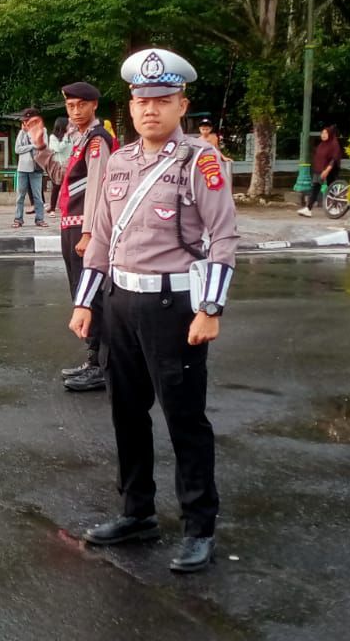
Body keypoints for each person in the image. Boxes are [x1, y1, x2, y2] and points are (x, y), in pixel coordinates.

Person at [71, 47, 239, 573]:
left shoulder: (199, 162)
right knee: (126, 414)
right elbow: (100, 238)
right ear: (131, 104)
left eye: (163, 100)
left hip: (174, 306)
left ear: (181, 105)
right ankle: (136, 512)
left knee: (184, 419)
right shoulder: (118, 163)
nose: (151, 110)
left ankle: (199, 526)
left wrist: (209, 307)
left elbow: (222, 237)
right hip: (120, 303)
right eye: (143, 101)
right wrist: (86, 304)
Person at [24, 83, 116, 392]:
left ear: (93, 106)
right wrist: (40, 147)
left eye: (80, 105)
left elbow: (97, 188)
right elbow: (64, 178)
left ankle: (102, 365)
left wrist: (90, 232)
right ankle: (95, 360)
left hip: (84, 229)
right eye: (70, 106)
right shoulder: (81, 139)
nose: (74, 111)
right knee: (81, 293)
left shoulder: (97, 140)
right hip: (72, 225)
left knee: (92, 297)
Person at [13, 108, 47, 228]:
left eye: (28, 120)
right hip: (23, 167)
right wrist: (32, 145)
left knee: (37, 195)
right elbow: (17, 149)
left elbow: (42, 146)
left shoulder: (42, 131)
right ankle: (18, 219)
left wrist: (32, 144)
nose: (26, 123)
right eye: (24, 121)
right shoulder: (21, 133)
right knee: (20, 195)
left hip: (36, 167)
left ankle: (40, 219)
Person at [301, 124, 343, 216]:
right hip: (320, 170)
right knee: (315, 187)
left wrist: (327, 170)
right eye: (322, 133)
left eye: (326, 133)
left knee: (332, 188)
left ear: (330, 134)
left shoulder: (334, 144)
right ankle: (308, 208)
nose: (323, 135)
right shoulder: (321, 145)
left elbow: (334, 159)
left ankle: (336, 208)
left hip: (331, 170)